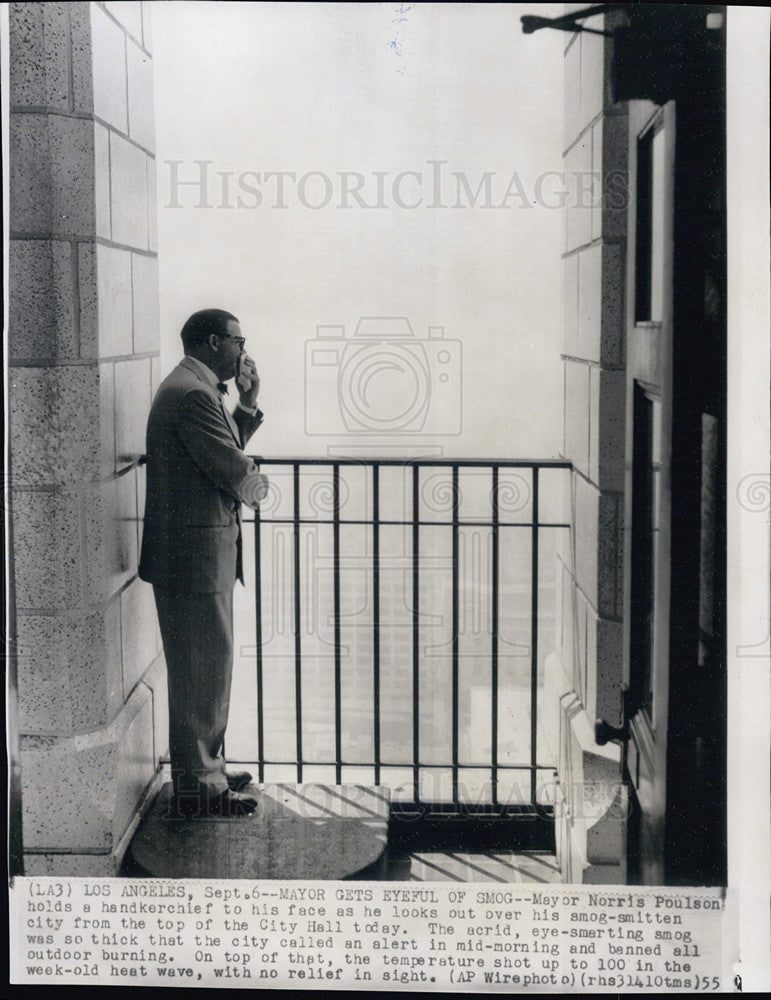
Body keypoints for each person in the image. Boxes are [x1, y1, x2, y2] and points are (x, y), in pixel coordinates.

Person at [139, 308, 268, 817]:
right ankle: (199, 788)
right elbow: (230, 467)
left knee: (206, 670)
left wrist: (248, 405)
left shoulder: (192, 385)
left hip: (192, 558)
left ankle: (204, 769)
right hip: (192, 562)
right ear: (215, 342)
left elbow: (215, 448)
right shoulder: (193, 393)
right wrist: (259, 487)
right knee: (201, 673)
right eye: (239, 339)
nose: (243, 349)